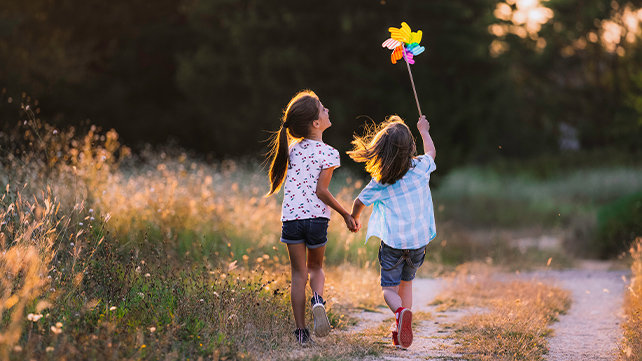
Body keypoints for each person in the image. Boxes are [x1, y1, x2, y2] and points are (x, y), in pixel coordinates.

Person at [265, 90, 357, 345]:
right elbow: (322, 191)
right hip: (316, 219)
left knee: (298, 274)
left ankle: (301, 332)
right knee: (316, 268)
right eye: (323, 109)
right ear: (316, 123)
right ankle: (318, 300)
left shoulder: (291, 150)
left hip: (292, 219)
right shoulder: (330, 153)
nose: (328, 110)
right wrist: (346, 214)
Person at [348, 114, 437, 349]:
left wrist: (353, 218)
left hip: (393, 245)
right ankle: (403, 324)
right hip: (418, 243)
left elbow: (359, 201)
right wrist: (424, 130)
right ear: (411, 147)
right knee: (406, 283)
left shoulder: (382, 180)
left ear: (383, 150)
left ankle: (399, 313)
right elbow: (431, 153)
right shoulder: (421, 167)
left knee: (389, 289)